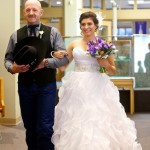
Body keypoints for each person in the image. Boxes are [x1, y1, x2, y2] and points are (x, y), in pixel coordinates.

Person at [51, 11, 142, 150]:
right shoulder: (73, 44)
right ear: (80, 26)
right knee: (77, 118)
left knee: (98, 118)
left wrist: (103, 62)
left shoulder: (104, 45)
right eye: (83, 24)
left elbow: (112, 70)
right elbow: (63, 67)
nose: (86, 27)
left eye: (89, 24)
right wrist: (54, 55)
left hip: (97, 85)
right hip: (76, 86)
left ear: (96, 26)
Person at [4, 0, 69, 150]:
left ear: (41, 12)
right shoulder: (15, 35)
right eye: (28, 10)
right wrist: (12, 68)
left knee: (45, 128)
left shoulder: (53, 33)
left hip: (46, 86)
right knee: (30, 127)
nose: (31, 13)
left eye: (34, 10)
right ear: (24, 13)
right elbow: (7, 59)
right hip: (25, 87)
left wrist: (45, 63)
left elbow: (64, 58)